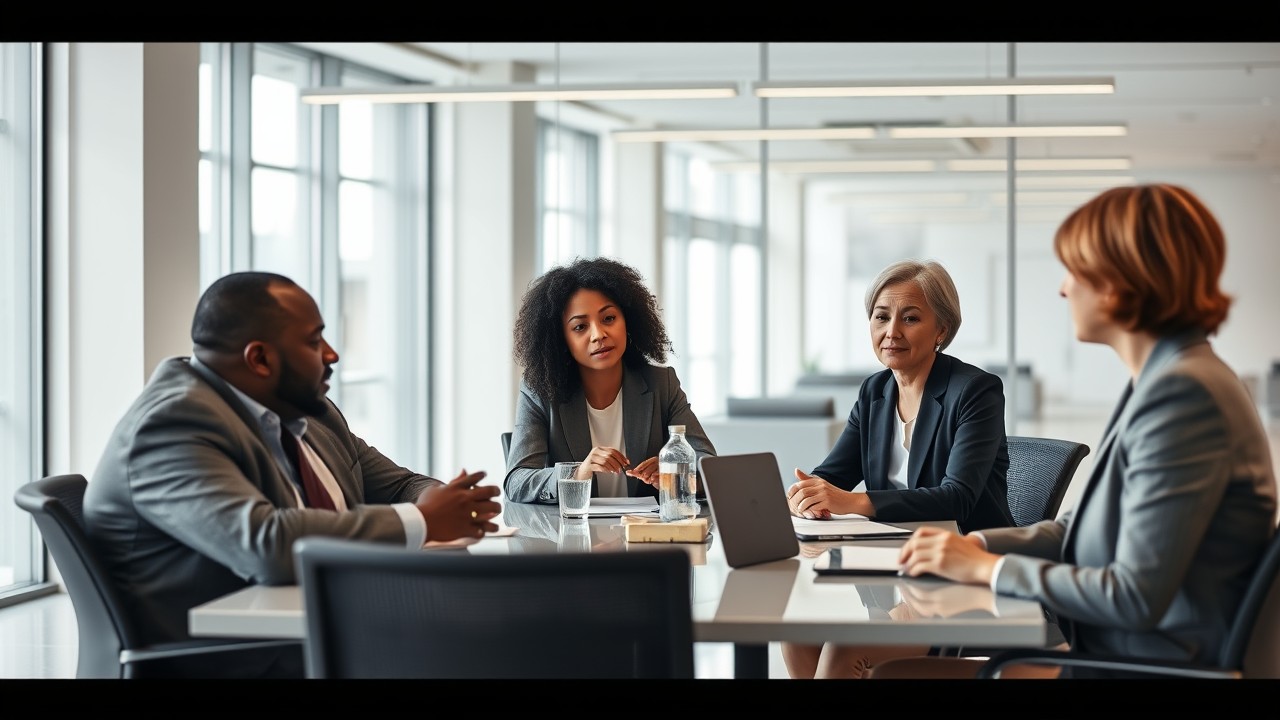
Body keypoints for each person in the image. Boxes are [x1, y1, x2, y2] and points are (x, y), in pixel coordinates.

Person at [877, 183, 1278, 679]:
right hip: (1121, 654)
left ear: (1119, 281)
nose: (1064, 288)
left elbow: (1133, 596)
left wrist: (988, 570)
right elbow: (1078, 527)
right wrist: (979, 546)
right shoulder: (1164, 379)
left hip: (1143, 667)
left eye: (1074, 270)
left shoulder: (1184, 395)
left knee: (899, 674)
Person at [82, 271, 502, 678]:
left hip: (316, 631)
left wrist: (445, 502)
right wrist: (426, 520)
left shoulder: (306, 413)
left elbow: (399, 486)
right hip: (236, 658)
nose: (332, 354)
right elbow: (267, 544)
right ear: (260, 358)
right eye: (314, 340)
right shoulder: (172, 425)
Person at [781, 258, 1015, 679]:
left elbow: (958, 497)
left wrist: (856, 501)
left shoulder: (975, 391)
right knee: (795, 630)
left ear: (941, 329)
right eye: (881, 317)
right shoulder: (876, 390)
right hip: (888, 566)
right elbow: (833, 473)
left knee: (842, 650)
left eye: (910, 318)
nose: (892, 332)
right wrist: (808, 493)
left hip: (960, 570)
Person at [504, 256, 715, 504]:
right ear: (561, 339)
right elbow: (517, 481)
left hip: (645, 537)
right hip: (571, 539)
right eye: (580, 327)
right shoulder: (540, 391)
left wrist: (675, 474)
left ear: (628, 321)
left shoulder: (661, 383)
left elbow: (709, 465)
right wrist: (577, 473)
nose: (599, 334)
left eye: (609, 319)